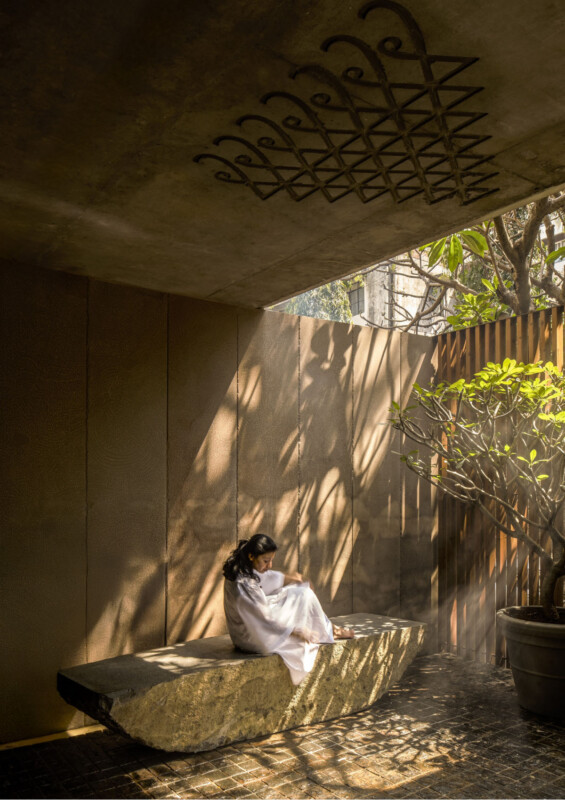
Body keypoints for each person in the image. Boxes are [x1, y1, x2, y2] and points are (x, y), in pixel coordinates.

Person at [223, 534, 354, 685]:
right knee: (303, 594)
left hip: (249, 628)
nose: (270, 565)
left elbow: (268, 578)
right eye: (266, 561)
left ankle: (328, 628)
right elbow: (263, 619)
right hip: (253, 637)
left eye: (271, 560)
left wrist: (294, 579)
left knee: (298, 590)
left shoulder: (243, 568)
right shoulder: (244, 584)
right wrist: (295, 631)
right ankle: (329, 630)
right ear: (251, 556)